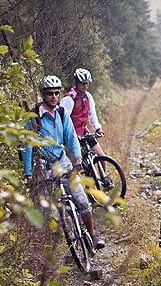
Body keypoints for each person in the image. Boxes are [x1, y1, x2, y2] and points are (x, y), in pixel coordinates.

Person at [23, 75, 103, 249]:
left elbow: (71, 137)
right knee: (41, 210)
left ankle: (92, 236)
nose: (53, 96)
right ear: (43, 94)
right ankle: (38, 247)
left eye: (56, 93)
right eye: (50, 93)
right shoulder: (34, 117)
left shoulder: (61, 113)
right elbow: (27, 146)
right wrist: (28, 173)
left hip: (62, 161)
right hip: (43, 165)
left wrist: (77, 159)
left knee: (81, 199)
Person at [59, 68, 106, 158]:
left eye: (86, 83)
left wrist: (97, 128)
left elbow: (92, 115)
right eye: (82, 83)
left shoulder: (88, 96)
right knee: (74, 164)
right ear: (77, 82)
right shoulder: (69, 98)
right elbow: (62, 120)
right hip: (72, 135)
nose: (85, 86)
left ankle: (102, 173)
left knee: (101, 155)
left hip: (84, 132)